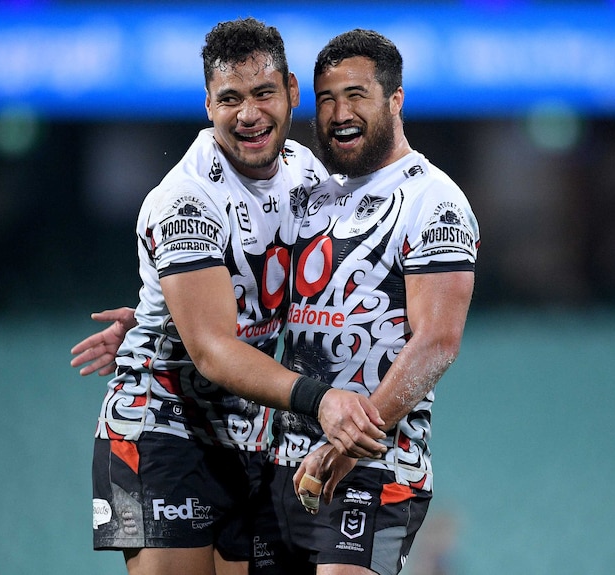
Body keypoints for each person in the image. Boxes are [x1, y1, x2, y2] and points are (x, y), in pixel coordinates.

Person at [75, 19, 387, 575]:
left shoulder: (306, 172)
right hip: (161, 427)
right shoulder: (186, 200)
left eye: (263, 93)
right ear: (208, 105)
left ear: (291, 91)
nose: (248, 114)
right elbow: (214, 350)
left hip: (249, 436)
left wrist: (155, 314)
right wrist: (323, 399)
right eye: (230, 99)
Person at [249, 29, 479, 575]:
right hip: (283, 465)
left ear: (395, 100)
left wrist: (348, 446)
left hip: (373, 470)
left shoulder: (434, 200)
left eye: (357, 95)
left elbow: (438, 343)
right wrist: (154, 324)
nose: (339, 112)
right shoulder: (311, 196)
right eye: (327, 99)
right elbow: (252, 299)